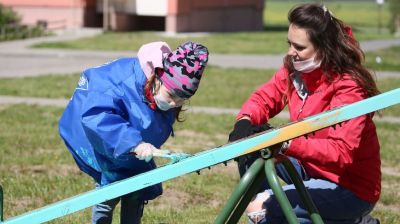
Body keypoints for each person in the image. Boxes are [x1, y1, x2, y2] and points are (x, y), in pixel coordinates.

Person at [228, 3, 381, 224]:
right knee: (250, 153)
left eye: (299, 47)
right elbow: (265, 97)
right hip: (308, 168)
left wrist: (285, 142)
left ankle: (348, 218)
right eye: (289, 44)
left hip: (350, 187)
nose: (291, 52)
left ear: (324, 48)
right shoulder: (295, 69)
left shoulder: (349, 88)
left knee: (261, 210)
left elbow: (341, 153)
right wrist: (244, 122)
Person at [58, 41, 209, 224]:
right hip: (103, 140)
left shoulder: (160, 92)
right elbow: (98, 117)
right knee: (108, 192)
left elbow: (151, 122)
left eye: (181, 100)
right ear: (157, 77)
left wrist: (140, 145)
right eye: (171, 96)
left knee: (136, 190)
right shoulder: (121, 84)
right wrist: (134, 143)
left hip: (132, 150)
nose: (173, 104)